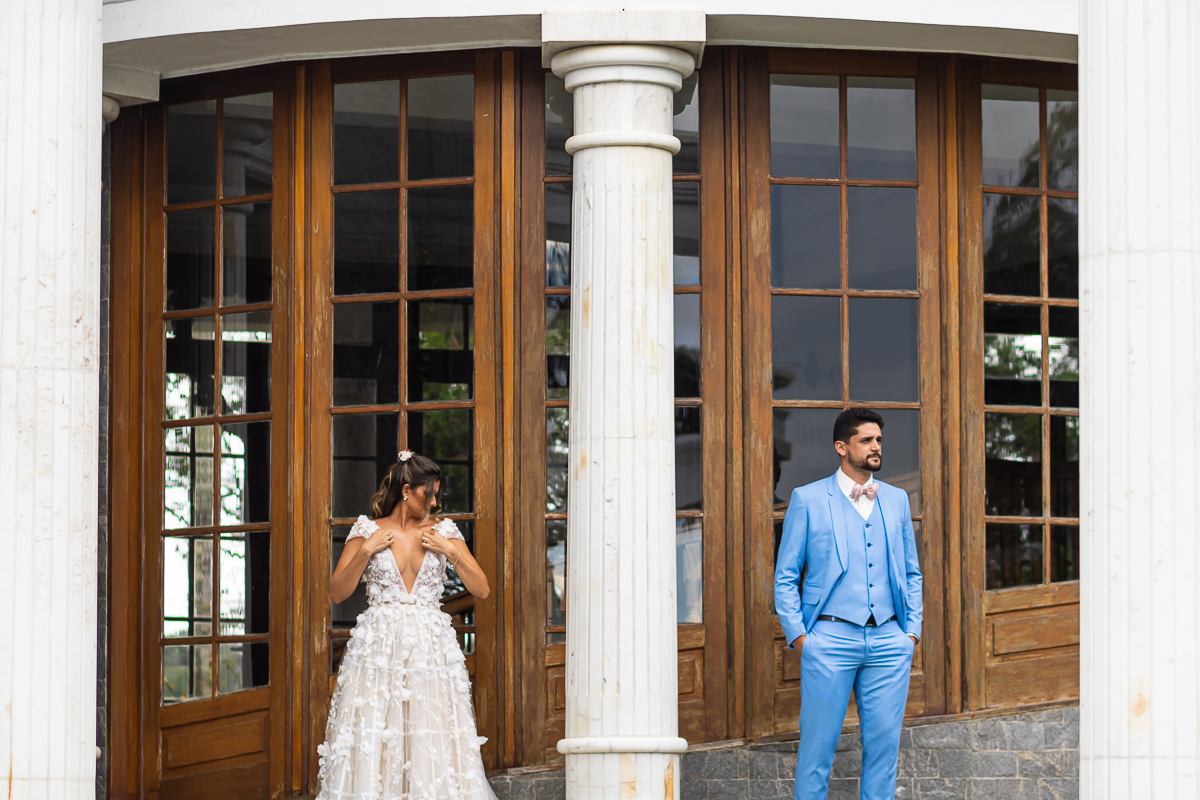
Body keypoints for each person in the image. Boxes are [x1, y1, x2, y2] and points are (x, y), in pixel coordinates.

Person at [317, 449, 495, 800]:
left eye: (436, 494)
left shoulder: (443, 531)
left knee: (430, 734)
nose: (433, 502)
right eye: (428, 493)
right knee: (378, 734)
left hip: (431, 650)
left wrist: (450, 550)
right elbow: (338, 592)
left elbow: (482, 588)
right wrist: (366, 550)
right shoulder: (368, 530)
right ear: (406, 491)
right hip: (379, 650)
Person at [774, 409, 923, 800]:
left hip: (890, 640)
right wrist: (801, 637)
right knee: (817, 749)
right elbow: (786, 575)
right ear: (842, 447)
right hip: (829, 639)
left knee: (883, 749)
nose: (876, 447)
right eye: (867, 440)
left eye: (879, 440)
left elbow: (911, 572)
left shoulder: (896, 499)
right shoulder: (807, 499)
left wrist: (911, 632)